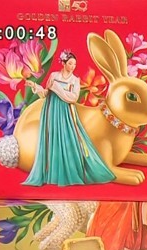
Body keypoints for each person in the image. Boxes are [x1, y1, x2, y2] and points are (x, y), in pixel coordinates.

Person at [22, 50, 116, 187]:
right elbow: (46, 94)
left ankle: (70, 172)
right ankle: (53, 174)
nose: (72, 66)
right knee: (53, 140)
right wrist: (35, 86)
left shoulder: (74, 80)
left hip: (66, 113)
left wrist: (57, 88)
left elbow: (73, 98)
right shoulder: (54, 76)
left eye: (74, 64)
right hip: (52, 111)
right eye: (70, 63)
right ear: (64, 63)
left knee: (68, 139)